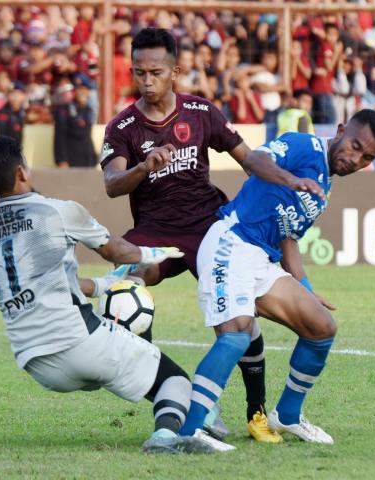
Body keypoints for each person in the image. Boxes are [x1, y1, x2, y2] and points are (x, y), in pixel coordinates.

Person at [102, 27, 326, 444]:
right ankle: (175, 393)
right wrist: (142, 168)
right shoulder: (124, 126)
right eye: (139, 73)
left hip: (210, 228)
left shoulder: (201, 112)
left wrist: (287, 178)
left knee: (241, 324)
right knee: (123, 288)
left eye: (155, 72)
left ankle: (257, 412)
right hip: (154, 232)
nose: (147, 81)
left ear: (176, 71)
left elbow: (249, 159)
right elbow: (113, 184)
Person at [0, 136, 218, 454]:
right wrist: (157, 251)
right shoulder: (57, 212)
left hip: (34, 361)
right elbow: (119, 251)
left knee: (133, 357)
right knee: (175, 381)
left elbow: (50, 283)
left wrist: (102, 286)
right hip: (78, 343)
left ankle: (185, 409)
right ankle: (166, 437)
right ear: (21, 172)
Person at [178, 110, 375, 450]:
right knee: (237, 335)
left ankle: (288, 415)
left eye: (367, 157)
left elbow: (288, 237)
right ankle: (188, 433)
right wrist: (291, 180)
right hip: (232, 242)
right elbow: (256, 160)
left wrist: (305, 289)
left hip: (261, 259)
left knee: (322, 327)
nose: (355, 159)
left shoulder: (324, 183)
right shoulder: (303, 146)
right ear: (340, 130)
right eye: (354, 146)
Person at [52, 74, 97, 168]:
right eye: (79, 89)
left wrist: (93, 158)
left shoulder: (88, 110)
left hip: (88, 161)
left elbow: (87, 136)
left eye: (85, 89)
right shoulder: (64, 110)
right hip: (71, 161)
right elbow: (59, 136)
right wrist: (61, 160)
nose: (81, 92)